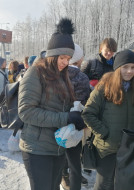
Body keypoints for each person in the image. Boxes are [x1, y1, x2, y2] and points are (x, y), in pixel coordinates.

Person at [18, 18, 85, 190]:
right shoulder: (36, 73)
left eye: (68, 58)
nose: (65, 62)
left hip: (58, 147)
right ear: (52, 55)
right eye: (62, 57)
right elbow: (26, 112)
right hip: (37, 149)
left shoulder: (63, 76)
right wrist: (66, 117)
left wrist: (77, 114)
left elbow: (61, 107)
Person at [82, 49, 134, 190]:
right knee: (105, 185)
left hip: (129, 149)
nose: (129, 71)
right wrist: (105, 133)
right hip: (107, 149)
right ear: (117, 68)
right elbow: (87, 114)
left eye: (133, 67)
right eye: (125, 67)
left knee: (125, 185)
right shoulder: (104, 88)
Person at [61, 44, 90, 190]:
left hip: (57, 122)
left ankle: (61, 178)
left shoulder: (57, 75)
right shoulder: (82, 77)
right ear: (79, 59)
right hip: (75, 125)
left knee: (58, 159)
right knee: (75, 164)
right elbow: (87, 102)